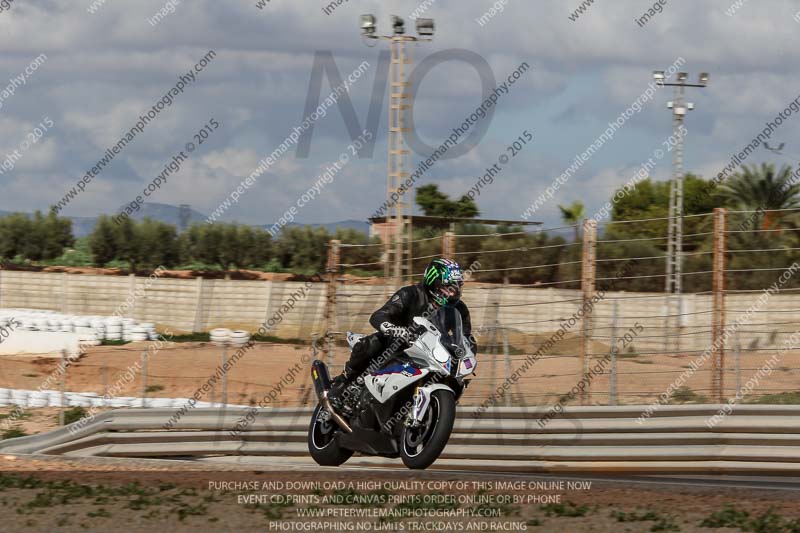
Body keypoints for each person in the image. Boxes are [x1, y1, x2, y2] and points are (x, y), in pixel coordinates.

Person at [328, 258, 476, 409]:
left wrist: (468, 350)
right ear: (434, 282)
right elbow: (379, 315)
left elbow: (465, 337)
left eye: (456, 288)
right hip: (396, 347)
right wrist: (394, 329)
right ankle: (342, 383)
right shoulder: (409, 294)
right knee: (373, 342)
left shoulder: (459, 310)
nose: (452, 293)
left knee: (455, 380)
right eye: (447, 288)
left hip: (430, 355)